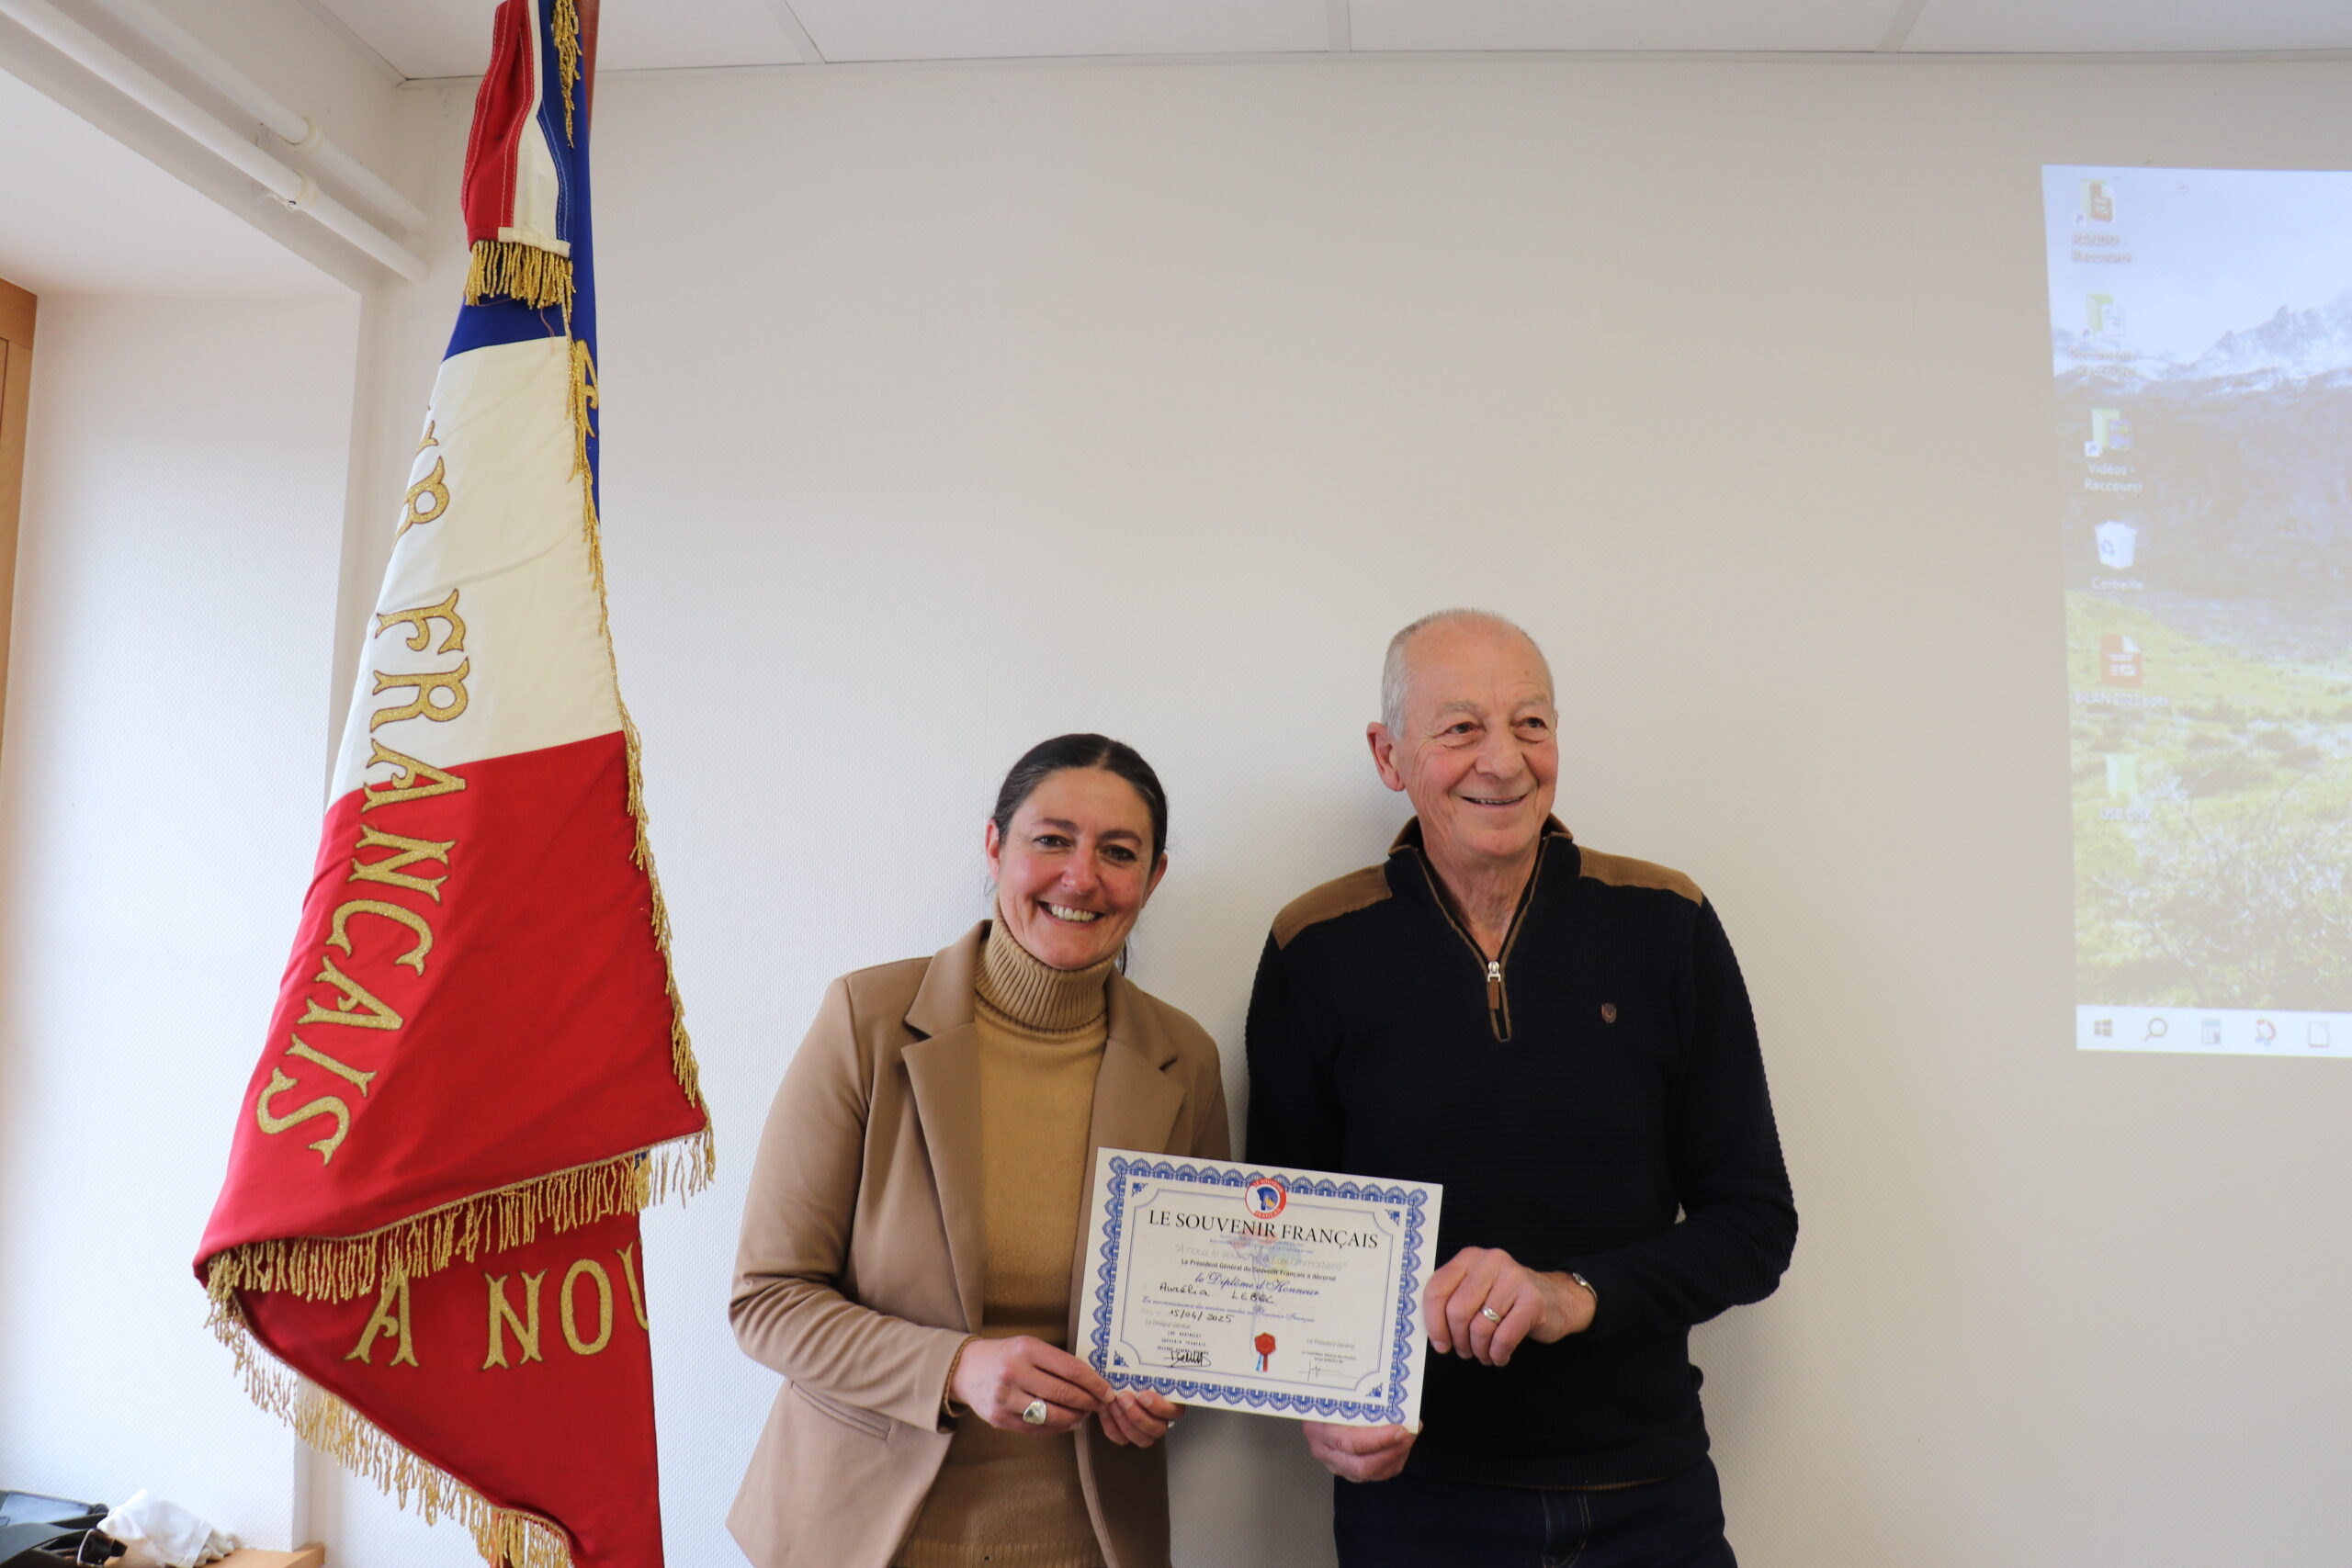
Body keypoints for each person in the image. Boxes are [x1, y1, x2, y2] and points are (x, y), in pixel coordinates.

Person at [1246, 611, 1797, 1568]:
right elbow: (1284, 1240)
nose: (1502, 761)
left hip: (1648, 1497)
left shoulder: (1666, 923)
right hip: (1416, 1505)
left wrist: (1569, 1295)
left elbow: (1754, 1226)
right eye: (1460, 727)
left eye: (1531, 724)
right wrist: (1320, 1406)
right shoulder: (1314, 946)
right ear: (1388, 755)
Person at [729, 734, 1230, 1568]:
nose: (1081, 876)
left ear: (1153, 878)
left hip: (1092, 1542)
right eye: (1051, 839)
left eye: (1118, 851)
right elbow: (767, 1300)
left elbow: (1201, 1314)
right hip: (865, 1536)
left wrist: (1176, 1385)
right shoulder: (867, 1019)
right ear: (995, 845)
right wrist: (954, 1367)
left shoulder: (1185, 1057)